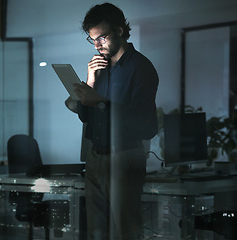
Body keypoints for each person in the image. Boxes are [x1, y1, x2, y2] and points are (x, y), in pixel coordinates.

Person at [73, 3, 159, 240]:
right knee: (96, 232)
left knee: (126, 231)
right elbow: (84, 116)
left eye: (102, 37)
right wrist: (90, 83)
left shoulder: (140, 67)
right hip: (95, 155)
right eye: (93, 40)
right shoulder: (100, 68)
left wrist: (99, 100)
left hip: (123, 156)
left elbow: (146, 125)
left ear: (120, 31)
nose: (98, 45)